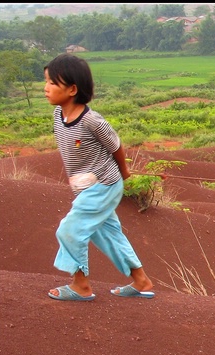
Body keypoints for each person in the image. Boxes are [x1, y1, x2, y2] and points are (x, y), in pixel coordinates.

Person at [44, 53, 155, 301]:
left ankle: (81, 286)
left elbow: (115, 146)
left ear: (72, 89)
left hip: (104, 184)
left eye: (52, 83)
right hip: (87, 187)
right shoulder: (58, 116)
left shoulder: (92, 121)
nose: (46, 88)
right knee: (108, 233)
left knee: (69, 230)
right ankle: (142, 281)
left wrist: (125, 173)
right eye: (47, 82)